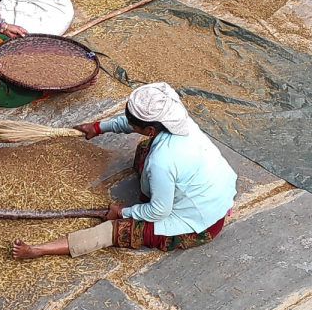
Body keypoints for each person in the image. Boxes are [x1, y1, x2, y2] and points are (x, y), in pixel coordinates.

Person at [12, 82, 237, 260]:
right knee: (143, 149)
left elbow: (159, 212)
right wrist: (98, 127)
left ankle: (38, 250)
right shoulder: (171, 116)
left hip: (198, 223)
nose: (131, 125)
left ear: (150, 128)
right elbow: (131, 123)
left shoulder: (163, 160)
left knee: (115, 231)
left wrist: (121, 212)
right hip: (210, 191)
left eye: (135, 124)